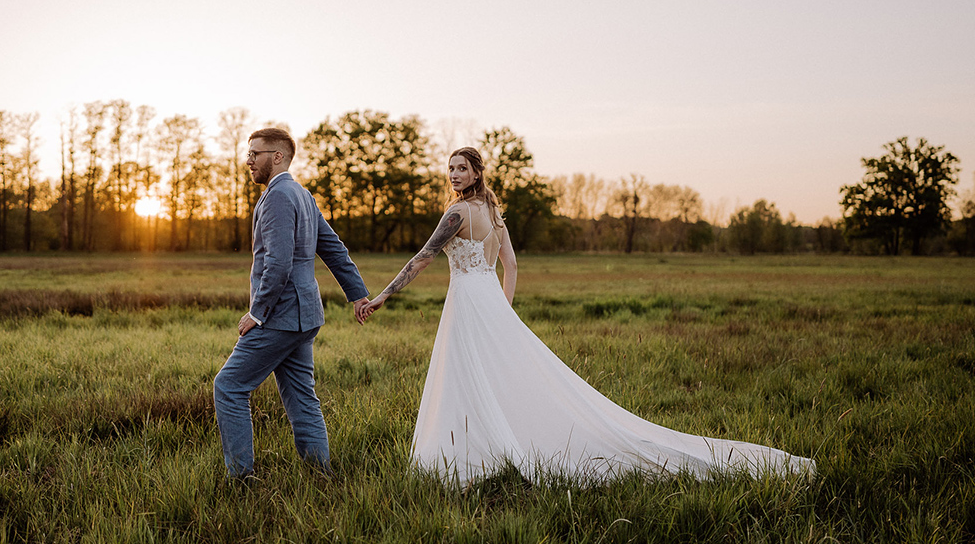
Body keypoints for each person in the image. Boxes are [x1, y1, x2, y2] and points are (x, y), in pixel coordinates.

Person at [361, 147, 814, 487]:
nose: (454, 174)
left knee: (465, 375)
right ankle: (483, 449)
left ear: (477, 173)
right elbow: (511, 266)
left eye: (462, 167)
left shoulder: (457, 212)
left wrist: (381, 296)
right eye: (451, 168)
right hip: (488, 302)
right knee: (491, 375)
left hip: (467, 301)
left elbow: (422, 258)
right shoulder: (494, 213)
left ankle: (467, 458)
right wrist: (503, 309)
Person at [213, 127, 371, 480]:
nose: (249, 160)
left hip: (281, 317)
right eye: (249, 153)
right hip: (306, 316)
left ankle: (241, 478)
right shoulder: (302, 194)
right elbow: (332, 247)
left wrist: (258, 312)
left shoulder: (279, 196)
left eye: (256, 153)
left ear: (278, 156)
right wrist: (357, 293)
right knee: (302, 396)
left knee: (229, 386)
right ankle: (321, 475)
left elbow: (279, 263)